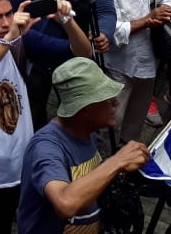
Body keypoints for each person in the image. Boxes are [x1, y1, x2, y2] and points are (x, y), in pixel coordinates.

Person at [0, 0, 89, 234]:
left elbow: (82, 53)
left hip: (17, 164)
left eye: (8, 14)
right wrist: (9, 40)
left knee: (2, 226)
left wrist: (67, 21)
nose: (5, 22)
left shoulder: (22, 40)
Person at [16, 57, 151, 233]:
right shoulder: (46, 149)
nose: (115, 102)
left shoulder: (88, 133)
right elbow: (65, 204)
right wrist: (117, 161)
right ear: (84, 109)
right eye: (106, 98)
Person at [106, 0, 171, 143]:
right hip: (119, 65)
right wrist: (146, 20)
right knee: (109, 121)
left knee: (135, 121)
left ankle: (129, 160)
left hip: (149, 60)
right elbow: (110, 30)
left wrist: (163, 12)